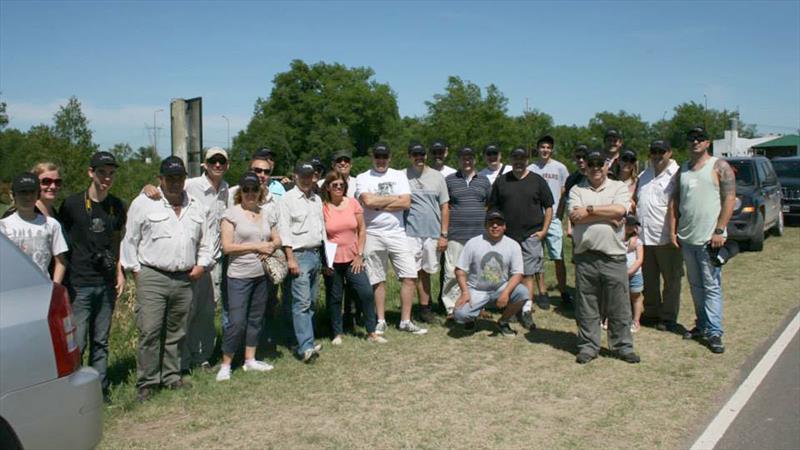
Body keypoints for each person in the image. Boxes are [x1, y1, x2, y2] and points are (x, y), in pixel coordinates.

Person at [120, 156, 214, 402]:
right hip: (153, 274)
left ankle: (171, 376)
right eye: (170, 178)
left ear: (185, 179)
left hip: (185, 278)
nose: (175, 182)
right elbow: (130, 240)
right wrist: (136, 272)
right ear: (160, 179)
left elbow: (206, 241)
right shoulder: (144, 203)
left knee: (177, 331)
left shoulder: (195, 206)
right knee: (150, 331)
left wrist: (202, 266)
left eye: (179, 177)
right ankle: (148, 382)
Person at [142, 147, 229, 372]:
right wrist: (147, 188)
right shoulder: (189, 184)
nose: (217, 165)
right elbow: (161, 192)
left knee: (206, 314)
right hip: (186, 265)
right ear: (205, 164)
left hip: (212, 262)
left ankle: (203, 357)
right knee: (183, 316)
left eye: (222, 161)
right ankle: (181, 362)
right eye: (213, 161)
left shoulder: (228, 189)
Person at [58, 151, 127, 402]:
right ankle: (74, 393)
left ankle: (100, 390)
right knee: (78, 342)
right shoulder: (72, 205)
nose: (106, 178)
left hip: (106, 283)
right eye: (101, 172)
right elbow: (61, 242)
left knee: (101, 341)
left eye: (111, 173)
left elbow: (118, 241)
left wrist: (120, 271)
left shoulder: (117, 205)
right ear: (91, 172)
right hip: (80, 284)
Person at [568, 149, 640, 364]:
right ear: (586, 167)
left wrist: (589, 210)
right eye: (591, 164)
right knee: (587, 305)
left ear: (607, 166)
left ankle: (622, 346)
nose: (596, 168)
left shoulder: (618, 187)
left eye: (600, 164)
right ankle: (589, 346)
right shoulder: (576, 190)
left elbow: (620, 211)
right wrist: (607, 215)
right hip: (585, 256)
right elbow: (575, 217)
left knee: (619, 305)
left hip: (614, 256)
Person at [670, 126, 736, 354]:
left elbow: (729, 198)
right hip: (688, 238)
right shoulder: (684, 170)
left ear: (708, 142)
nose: (695, 142)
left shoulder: (719, 166)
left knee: (711, 286)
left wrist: (720, 230)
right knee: (696, 286)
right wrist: (674, 230)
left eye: (699, 138)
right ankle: (702, 324)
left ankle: (715, 332)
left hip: (710, 239)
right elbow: (677, 201)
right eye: (691, 138)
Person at [355, 143, 427, 335]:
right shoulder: (363, 177)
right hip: (373, 233)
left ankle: (405, 320)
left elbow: (406, 202)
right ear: (372, 157)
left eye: (384, 157)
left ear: (390, 157)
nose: (381, 160)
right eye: (378, 156)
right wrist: (392, 199)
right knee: (378, 279)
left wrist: (378, 204)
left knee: (410, 276)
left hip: (397, 232)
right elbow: (367, 201)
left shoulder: (398, 175)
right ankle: (380, 320)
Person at [216, 172, 281, 382]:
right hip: (239, 276)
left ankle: (250, 359)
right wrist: (257, 246)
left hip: (262, 275)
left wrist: (270, 247)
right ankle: (225, 364)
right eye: (246, 190)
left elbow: (277, 239)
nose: (250, 193)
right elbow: (227, 247)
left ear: (259, 191)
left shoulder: (266, 213)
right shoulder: (231, 215)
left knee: (255, 318)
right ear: (240, 192)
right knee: (236, 322)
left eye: (254, 189)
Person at [487, 147, 553, 329]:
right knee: (509, 274)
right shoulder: (501, 182)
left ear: (527, 160)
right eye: (515, 158)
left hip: (531, 235)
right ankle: (512, 307)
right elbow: (492, 207)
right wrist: (494, 230)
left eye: (522, 158)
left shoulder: (537, 181)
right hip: (507, 236)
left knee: (528, 274)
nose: (518, 161)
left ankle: (526, 309)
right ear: (511, 159)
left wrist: (544, 230)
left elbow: (548, 207)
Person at [321, 171, 386, 344]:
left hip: (353, 258)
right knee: (335, 297)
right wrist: (325, 262)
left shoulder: (352, 203)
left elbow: (362, 229)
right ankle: (337, 333)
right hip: (332, 259)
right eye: (335, 185)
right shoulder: (323, 207)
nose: (338, 188)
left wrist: (359, 254)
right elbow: (321, 236)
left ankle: (372, 332)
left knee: (365, 292)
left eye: (341, 185)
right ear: (328, 187)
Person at [453, 210, 529, 336]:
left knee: (523, 292)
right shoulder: (473, 243)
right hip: (476, 289)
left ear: (504, 226)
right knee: (460, 315)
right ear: (485, 225)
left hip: (500, 287)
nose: (495, 226)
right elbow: (460, 269)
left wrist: (505, 293)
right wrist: (465, 292)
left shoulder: (513, 245)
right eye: (491, 223)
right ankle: (470, 319)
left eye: (498, 223)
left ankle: (503, 322)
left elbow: (518, 273)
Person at [278, 161, 326, 362]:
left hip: (315, 254)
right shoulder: (287, 199)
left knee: (311, 302)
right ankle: (306, 347)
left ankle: (299, 339)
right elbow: (284, 231)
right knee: (302, 303)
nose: (307, 179)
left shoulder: (316, 199)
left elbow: (321, 229)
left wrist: (324, 258)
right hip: (298, 255)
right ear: (295, 176)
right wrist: (290, 259)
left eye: (310, 176)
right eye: (303, 175)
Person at [635, 139, 682, 332]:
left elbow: (678, 205)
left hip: (666, 238)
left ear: (669, 152)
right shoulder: (644, 174)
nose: (656, 155)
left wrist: (675, 233)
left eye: (661, 152)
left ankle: (668, 316)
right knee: (649, 279)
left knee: (671, 280)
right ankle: (652, 312)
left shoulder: (677, 175)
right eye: (653, 151)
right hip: (644, 237)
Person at [441, 146, 493, 316]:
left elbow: (489, 205)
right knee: (451, 272)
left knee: (477, 271)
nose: (467, 161)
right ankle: (451, 307)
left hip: (479, 234)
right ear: (459, 160)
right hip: (455, 233)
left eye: (470, 158)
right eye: (464, 158)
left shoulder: (484, 180)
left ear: (475, 160)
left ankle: (479, 305)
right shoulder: (449, 180)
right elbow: (445, 206)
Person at [405, 143, 450, 323]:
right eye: (415, 154)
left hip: (432, 232)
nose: (419, 157)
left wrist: (444, 234)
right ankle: (411, 310)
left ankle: (425, 308)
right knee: (411, 272)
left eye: (422, 154)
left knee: (426, 271)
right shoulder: (402, 176)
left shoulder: (438, 177)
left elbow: (445, 207)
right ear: (409, 156)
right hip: (410, 232)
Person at [528, 135, 572, 309]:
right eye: (542, 147)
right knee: (537, 257)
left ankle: (563, 292)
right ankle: (542, 292)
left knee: (558, 256)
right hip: (534, 219)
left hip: (553, 218)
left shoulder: (560, 168)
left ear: (551, 149)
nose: (545, 150)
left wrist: (559, 214)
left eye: (548, 147)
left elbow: (564, 192)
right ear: (537, 149)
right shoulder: (531, 168)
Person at [0, 172, 67, 282]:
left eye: (32, 192)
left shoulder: (51, 224)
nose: (28, 196)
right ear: (13, 195)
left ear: (38, 194)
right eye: (23, 192)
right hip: (11, 289)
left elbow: (61, 262)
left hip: (42, 289)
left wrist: (55, 287)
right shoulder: (3, 225)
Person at [624, 215, 644, 332]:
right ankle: (611, 319)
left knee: (635, 296)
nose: (630, 227)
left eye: (633, 225)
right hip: (619, 273)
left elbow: (639, 259)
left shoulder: (638, 242)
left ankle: (636, 320)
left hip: (635, 275)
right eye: (628, 225)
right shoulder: (618, 239)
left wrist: (631, 271)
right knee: (618, 297)